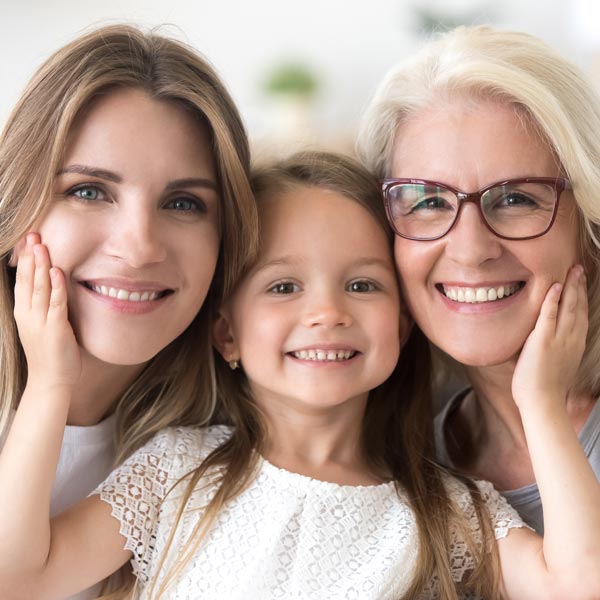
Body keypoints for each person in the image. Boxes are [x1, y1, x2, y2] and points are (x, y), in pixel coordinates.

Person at [1, 151, 599, 600]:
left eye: (362, 285)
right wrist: (50, 382)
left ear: (404, 323)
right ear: (226, 333)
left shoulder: (449, 512)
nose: (328, 314)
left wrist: (539, 402)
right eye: (283, 287)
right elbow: (17, 574)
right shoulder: (175, 472)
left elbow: (580, 586)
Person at [0, 24, 257, 599]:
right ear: (18, 219)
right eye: (89, 190)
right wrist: (49, 387)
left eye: (184, 203)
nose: (139, 246)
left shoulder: (217, 452)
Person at [357, 24, 600, 536]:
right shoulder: (396, 467)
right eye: (428, 201)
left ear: (589, 221)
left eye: (516, 198)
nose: (470, 250)